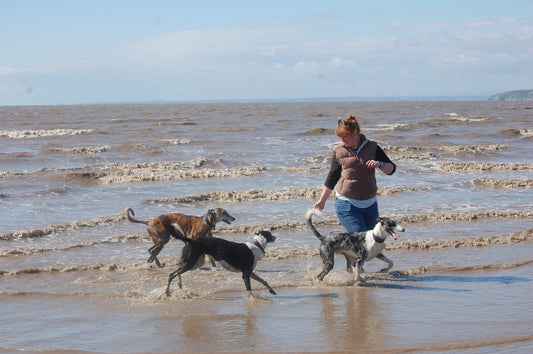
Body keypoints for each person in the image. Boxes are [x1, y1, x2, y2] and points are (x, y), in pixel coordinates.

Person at [314, 113, 396, 232]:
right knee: (361, 238)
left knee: (373, 241)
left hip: (370, 204)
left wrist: (379, 164)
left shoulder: (372, 147)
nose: (342, 139)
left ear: (355, 133)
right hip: (347, 203)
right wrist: (322, 200)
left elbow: (391, 169)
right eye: (340, 136)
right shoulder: (339, 151)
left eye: (345, 136)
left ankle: (347, 250)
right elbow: (332, 177)